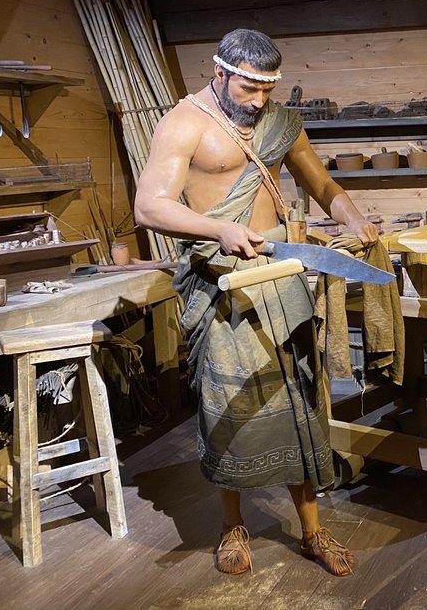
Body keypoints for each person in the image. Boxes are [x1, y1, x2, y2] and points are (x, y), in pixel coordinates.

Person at [134, 28, 378, 576]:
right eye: (249, 88)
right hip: (222, 280)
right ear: (220, 73)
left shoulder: (280, 122)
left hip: (280, 274)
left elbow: (321, 184)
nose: (258, 101)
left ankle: (312, 532)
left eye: (268, 90)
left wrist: (352, 217)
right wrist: (217, 228)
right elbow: (149, 206)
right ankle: (232, 525)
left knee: (299, 399)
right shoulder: (185, 123)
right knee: (231, 406)